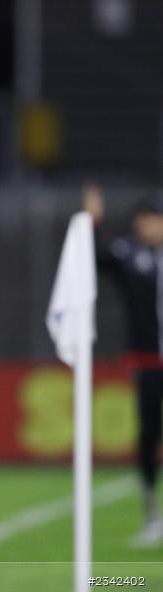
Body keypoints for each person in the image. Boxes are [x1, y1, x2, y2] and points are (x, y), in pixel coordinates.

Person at [83, 183, 163, 548]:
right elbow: (93, 257)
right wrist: (92, 219)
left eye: (154, 220)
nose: (148, 227)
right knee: (149, 434)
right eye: (144, 220)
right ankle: (150, 511)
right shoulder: (128, 255)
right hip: (147, 362)